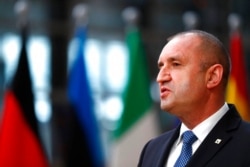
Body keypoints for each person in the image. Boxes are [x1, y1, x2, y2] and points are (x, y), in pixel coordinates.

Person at [137, 30, 250, 167]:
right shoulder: (152, 149)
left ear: (213, 76)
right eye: (161, 67)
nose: (160, 78)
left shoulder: (245, 143)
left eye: (176, 64)